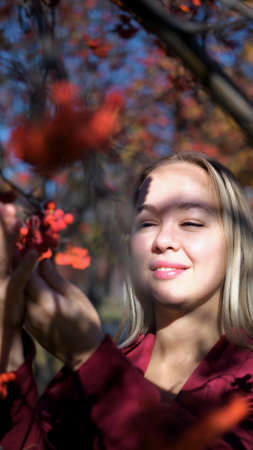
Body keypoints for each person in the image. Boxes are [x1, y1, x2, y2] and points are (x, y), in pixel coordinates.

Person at [0, 152, 253, 449]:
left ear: (236, 243)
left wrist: (91, 361)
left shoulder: (244, 377)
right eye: (147, 223)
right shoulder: (96, 370)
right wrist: (9, 343)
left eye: (192, 223)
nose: (162, 240)